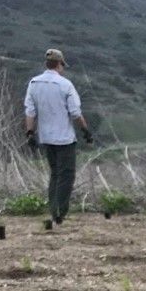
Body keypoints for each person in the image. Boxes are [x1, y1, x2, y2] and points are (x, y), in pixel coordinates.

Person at [24, 48, 93, 224]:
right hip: (64, 138)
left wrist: (30, 132)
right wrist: (85, 130)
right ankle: (60, 211)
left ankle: (53, 208)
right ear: (60, 64)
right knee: (66, 174)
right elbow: (75, 112)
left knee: (55, 173)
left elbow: (30, 111)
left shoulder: (34, 83)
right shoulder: (65, 85)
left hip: (46, 137)